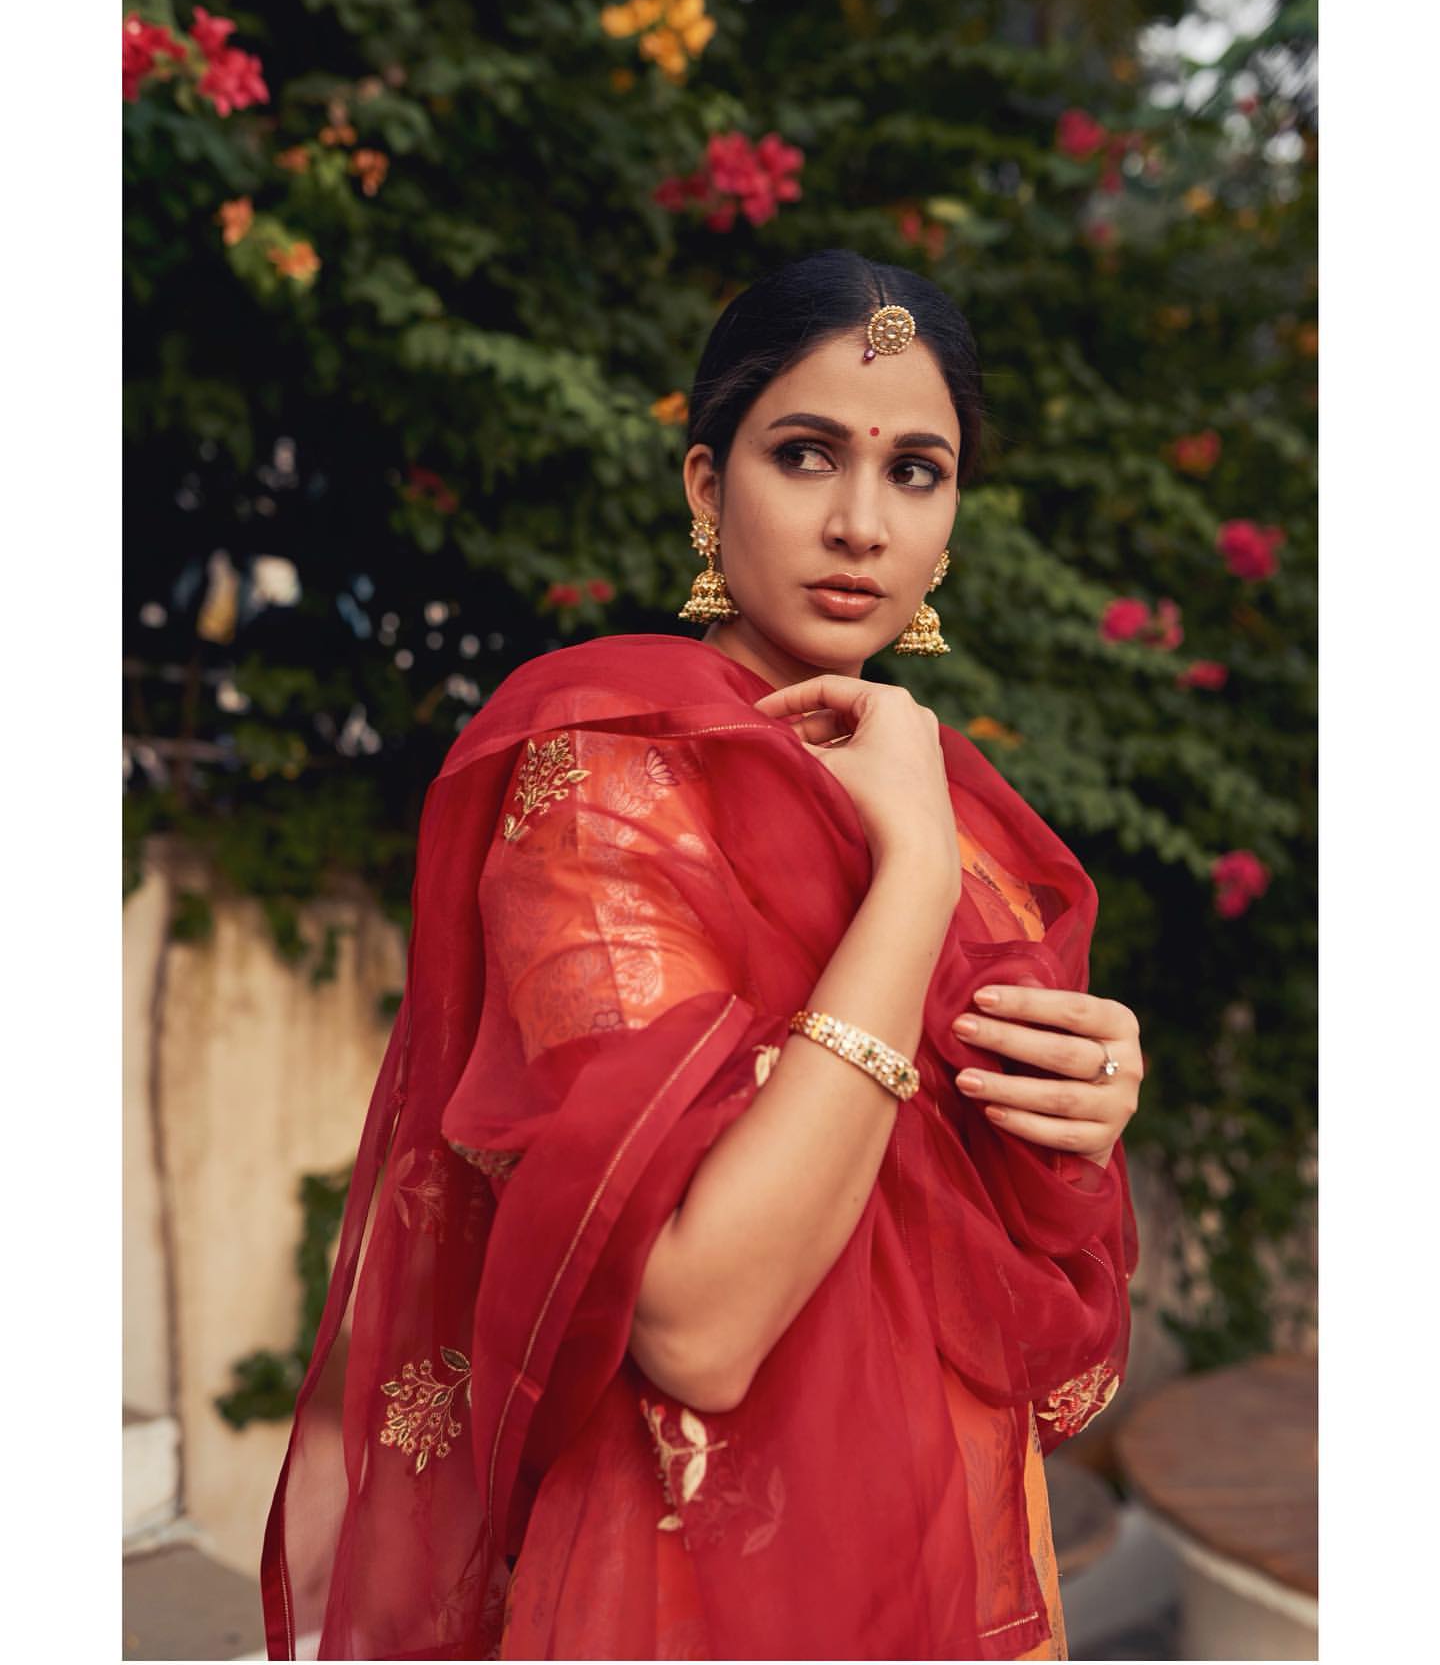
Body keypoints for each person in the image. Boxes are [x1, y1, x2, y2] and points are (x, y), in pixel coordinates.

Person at [261, 249, 1142, 1661]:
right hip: (690, 1575)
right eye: (806, 455)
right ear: (704, 485)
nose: (861, 523)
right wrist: (910, 880)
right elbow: (699, 1323)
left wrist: (1085, 1110)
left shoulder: (952, 806)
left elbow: (998, 1282)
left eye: (916, 472)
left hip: (951, 1549)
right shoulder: (606, 788)